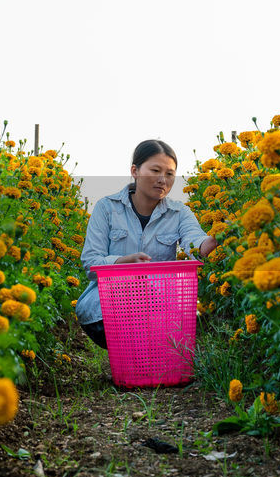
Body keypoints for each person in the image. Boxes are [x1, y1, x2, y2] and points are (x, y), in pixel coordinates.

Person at [75, 139, 219, 349]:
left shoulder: (179, 213)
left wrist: (216, 239)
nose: (162, 179)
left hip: (159, 307)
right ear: (135, 171)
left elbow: (196, 245)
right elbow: (90, 262)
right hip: (108, 307)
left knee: (178, 320)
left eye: (169, 174)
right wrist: (124, 263)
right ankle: (132, 359)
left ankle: (152, 361)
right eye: (155, 170)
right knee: (116, 321)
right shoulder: (106, 208)